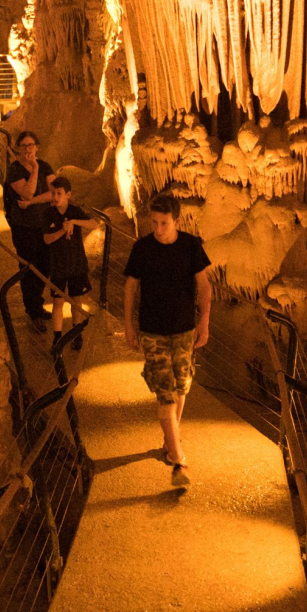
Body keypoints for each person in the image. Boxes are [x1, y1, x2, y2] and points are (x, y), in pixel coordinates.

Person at [123, 194, 211, 488]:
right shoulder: (142, 248)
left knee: (181, 386)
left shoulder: (190, 246)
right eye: (154, 223)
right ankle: (179, 459)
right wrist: (129, 326)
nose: (158, 229)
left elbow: (204, 285)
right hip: (153, 332)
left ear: (176, 220)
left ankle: (169, 439)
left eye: (164, 223)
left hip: (184, 331)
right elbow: (130, 287)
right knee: (166, 396)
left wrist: (204, 320)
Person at [4, 131, 56, 332]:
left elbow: (54, 193)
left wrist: (33, 202)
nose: (28, 149)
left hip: (44, 225)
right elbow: (27, 191)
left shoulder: (46, 166)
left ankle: (37, 303)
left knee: (45, 266)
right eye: (24, 145)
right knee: (29, 267)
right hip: (24, 227)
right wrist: (34, 169)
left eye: (31, 145)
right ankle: (33, 311)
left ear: (37, 147)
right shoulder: (15, 171)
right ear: (18, 149)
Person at [43, 176, 98, 352]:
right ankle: (57, 337)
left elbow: (94, 224)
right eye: (53, 193)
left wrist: (73, 222)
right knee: (57, 302)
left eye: (59, 193)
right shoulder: (48, 214)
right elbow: (47, 239)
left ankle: (76, 334)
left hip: (76, 264)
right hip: (58, 265)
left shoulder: (75, 211)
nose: (55, 197)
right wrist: (63, 230)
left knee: (77, 301)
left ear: (68, 194)